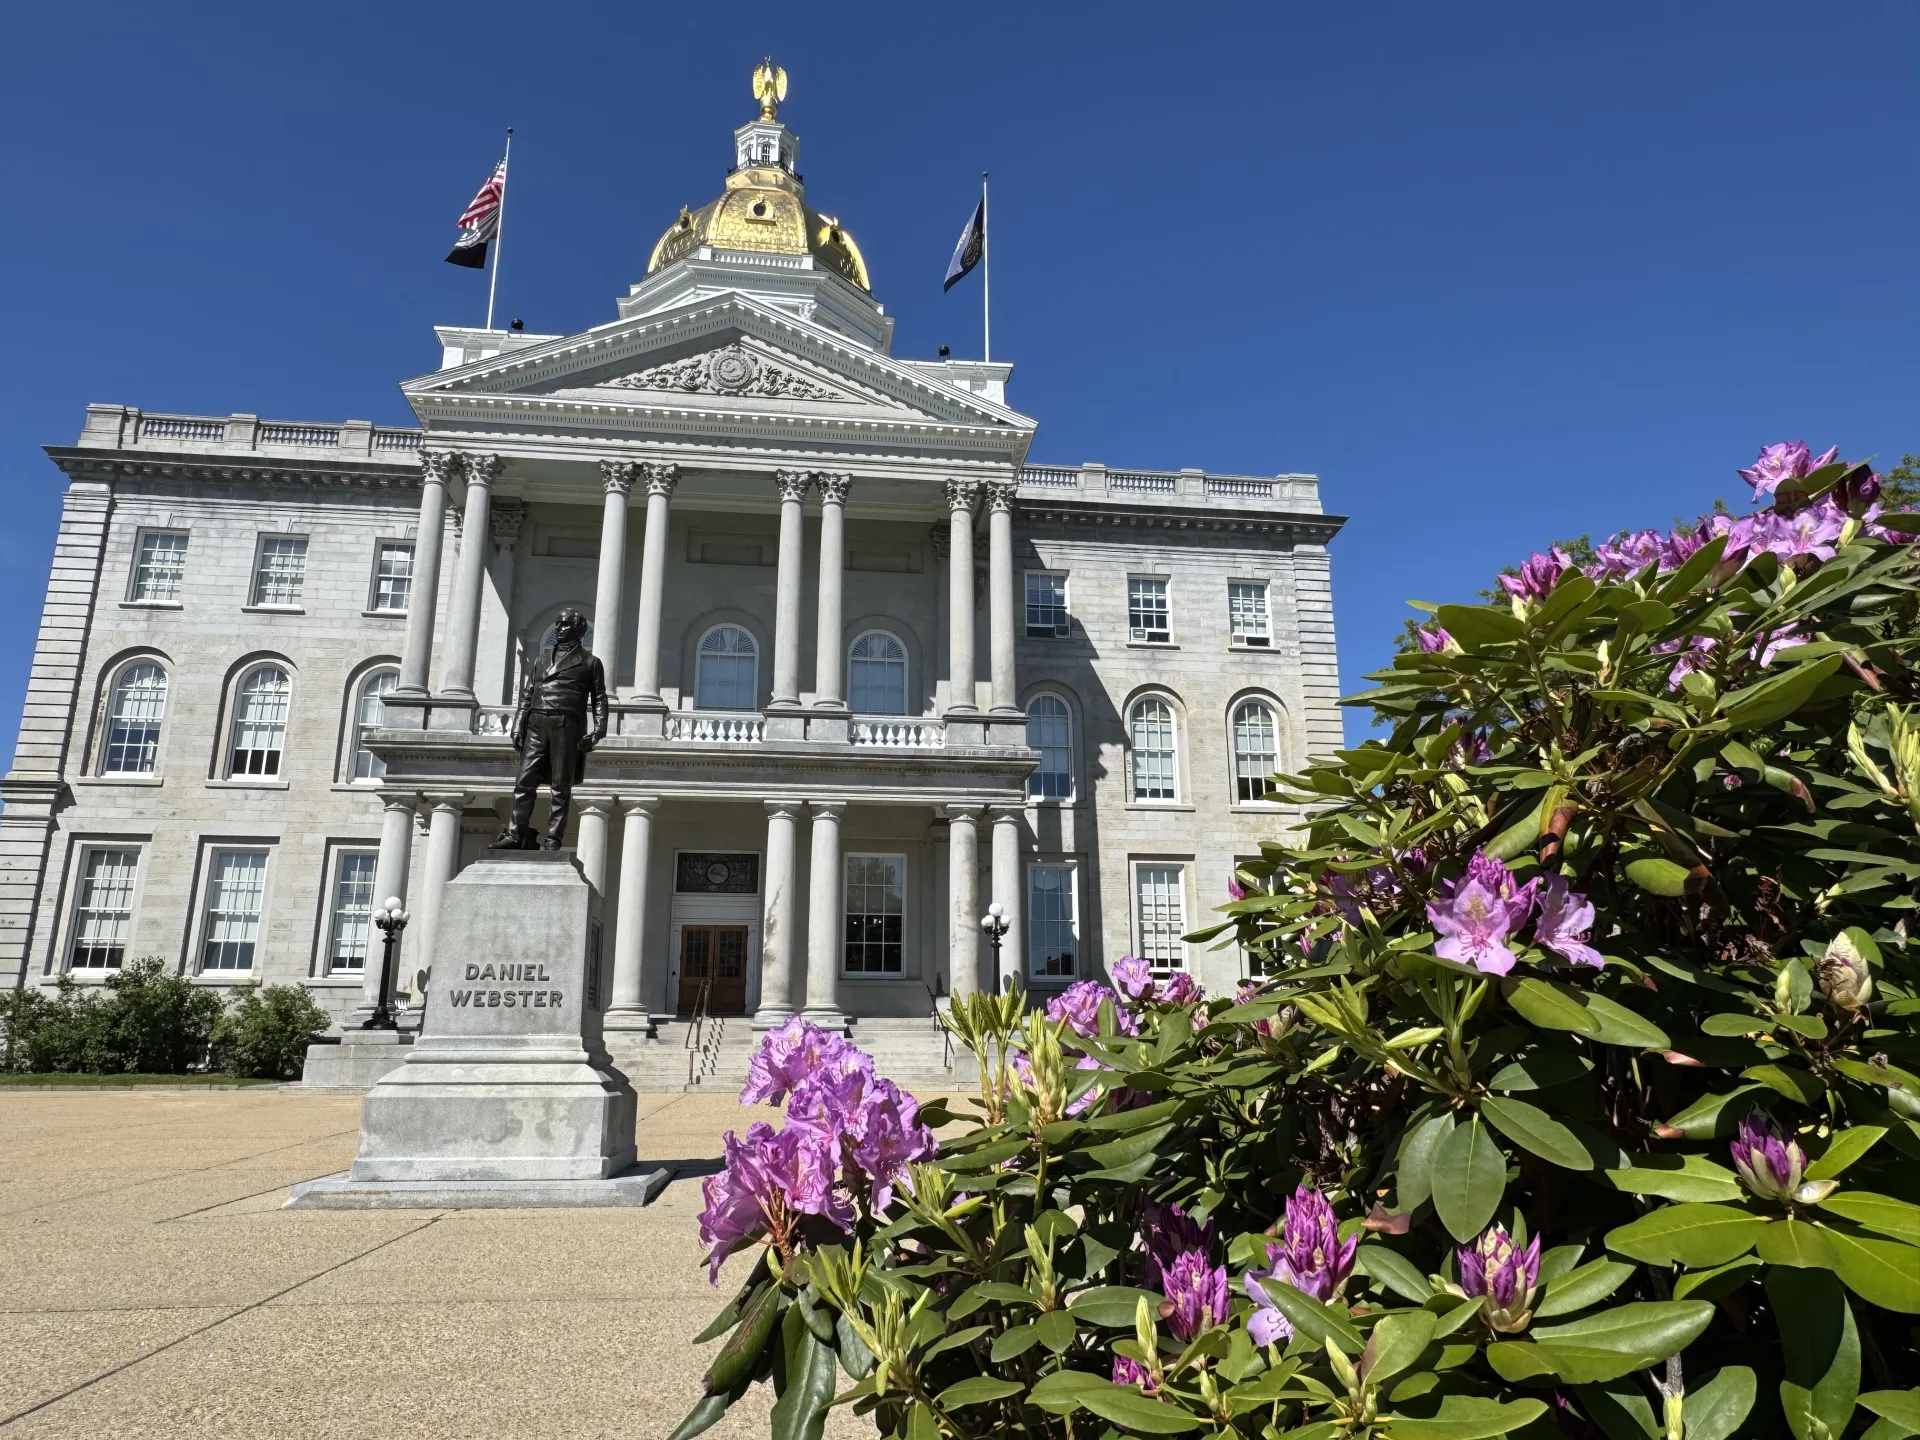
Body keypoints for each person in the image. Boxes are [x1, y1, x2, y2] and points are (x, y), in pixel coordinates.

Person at [491, 608, 607, 850]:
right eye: (557, 624)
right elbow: (527, 695)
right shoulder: (541, 660)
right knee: (524, 782)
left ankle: (553, 838)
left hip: (566, 725)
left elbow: (599, 699)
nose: (559, 628)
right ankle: (515, 833)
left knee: (560, 787)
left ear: (579, 630)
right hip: (536, 723)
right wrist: (517, 726)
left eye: (564, 624)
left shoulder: (590, 662)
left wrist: (598, 730)